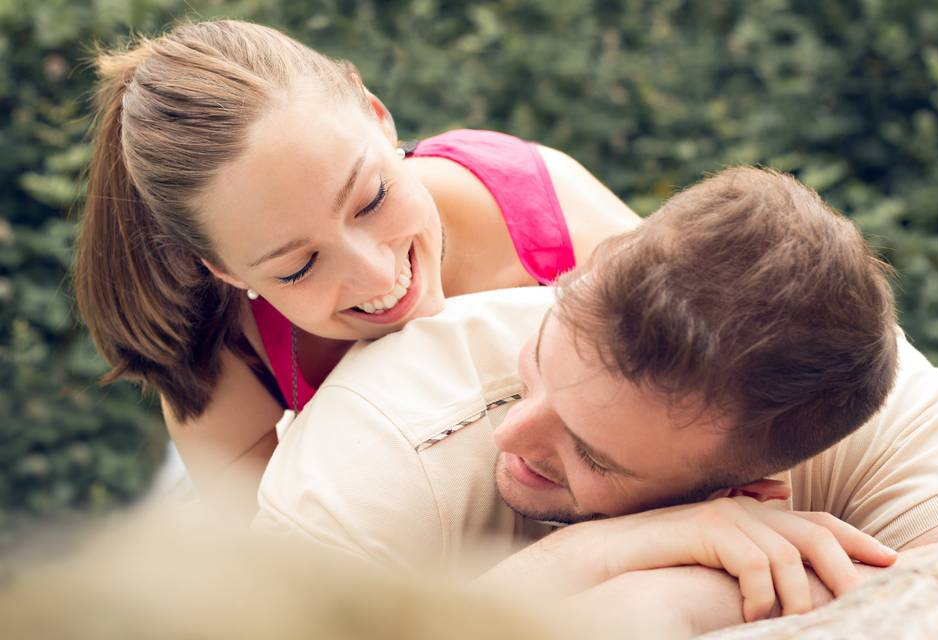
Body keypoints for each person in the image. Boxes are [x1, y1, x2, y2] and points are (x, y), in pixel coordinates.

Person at [253, 167, 938, 632]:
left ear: (744, 490)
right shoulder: (372, 454)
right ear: (587, 270)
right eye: (540, 358)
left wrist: (682, 599)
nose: (514, 434)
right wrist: (599, 567)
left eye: (590, 453)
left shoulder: (847, 386)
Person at [72, 20, 638, 517]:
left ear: (376, 113)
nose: (375, 274)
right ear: (224, 270)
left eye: (370, 200)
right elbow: (279, 594)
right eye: (298, 267)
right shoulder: (222, 353)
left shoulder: (544, 209)